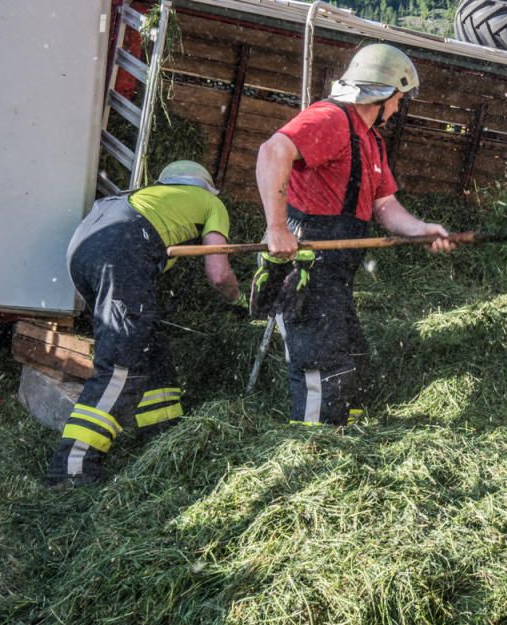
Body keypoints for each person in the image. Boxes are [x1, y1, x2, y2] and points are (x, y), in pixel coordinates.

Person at [255, 43, 454, 426]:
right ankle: (311, 449)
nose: (398, 108)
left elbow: (385, 207)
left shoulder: (371, 141)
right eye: (399, 99)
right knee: (321, 363)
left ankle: (346, 436)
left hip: (335, 272)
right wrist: (276, 228)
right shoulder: (329, 119)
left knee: (353, 355)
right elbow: (272, 152)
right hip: (307, 262)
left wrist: (421, 230)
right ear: (384, 95)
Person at [45, 161, 240, 486]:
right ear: (207, 186)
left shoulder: (146, 197)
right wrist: (240, 300)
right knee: (122, 367)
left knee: (149, 345)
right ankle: (71, 469)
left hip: (82, 253)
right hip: (123, 251)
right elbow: (218, 272)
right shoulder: (211, 203)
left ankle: (164, 437)